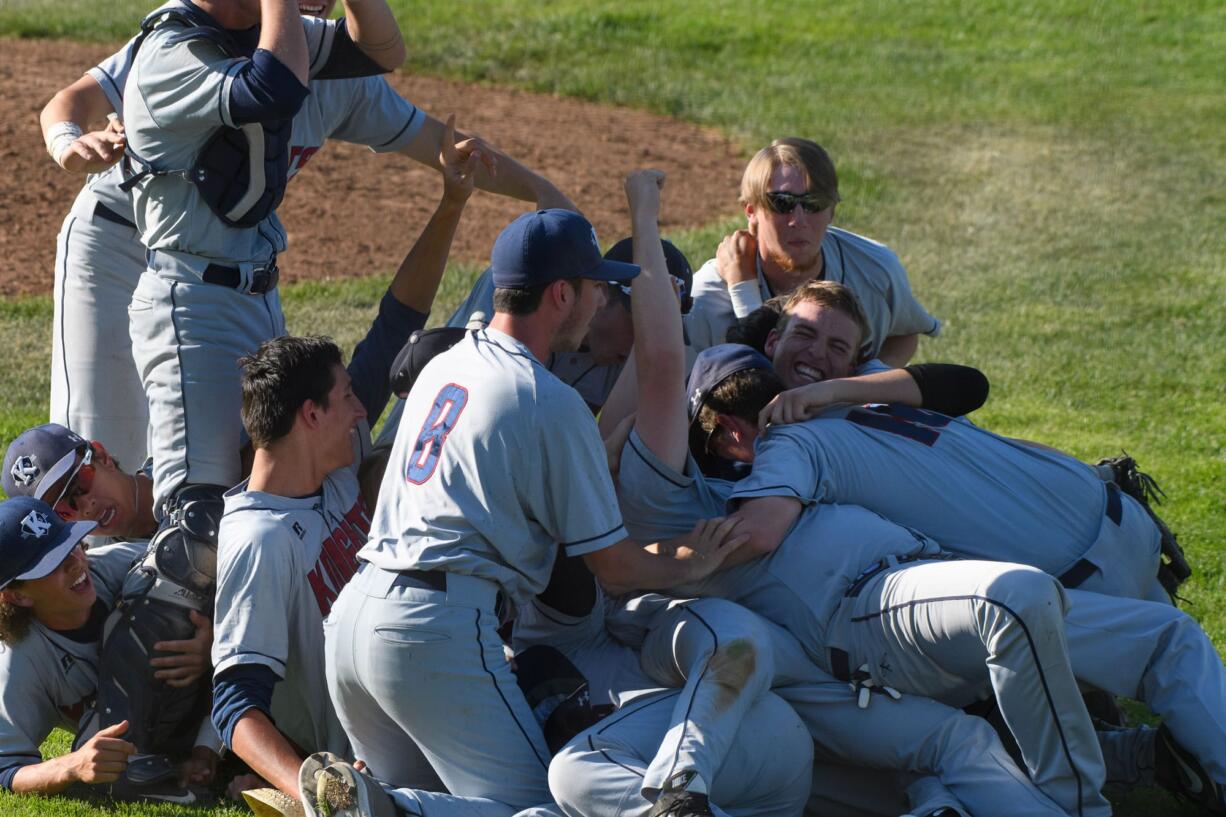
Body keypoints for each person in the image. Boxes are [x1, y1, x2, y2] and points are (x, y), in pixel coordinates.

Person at [323, 207, 744, 814]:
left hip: (355, 619)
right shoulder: (548, 399)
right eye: (597, 286)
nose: (603, 301)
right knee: (541, 809)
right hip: (434, 630)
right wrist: (693, 566)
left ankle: (382, 805)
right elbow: (615, 567)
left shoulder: (446, 364)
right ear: (561, 293)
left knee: (431, 800)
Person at [209, 120, 483, 800]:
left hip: (430, 703)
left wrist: (451, 204)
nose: (361, 410)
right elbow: (235, 705)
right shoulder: (258, 540)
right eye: (345, 401)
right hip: (379, 764)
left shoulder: (328, 466)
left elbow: (398, 320)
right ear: (310, 417)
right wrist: (307, 790)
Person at [0, 497, 218, 802]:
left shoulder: (118, 563)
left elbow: (235, 581)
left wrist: (215, 642)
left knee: (182, 554)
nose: (74, 561)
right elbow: (7, 768)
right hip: (143, 739)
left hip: (215, 693)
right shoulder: (20, 659)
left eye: (69, 544)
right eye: (51, 563)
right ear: (17, 597)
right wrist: (71, 765)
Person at [685, 137, 940, 365]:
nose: (798, 220)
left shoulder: (874, 270)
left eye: (813, 204)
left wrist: (859, 391)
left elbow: (903, 334)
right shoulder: (704, 301)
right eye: (782, 203)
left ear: (832, 210)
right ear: (751, 211)